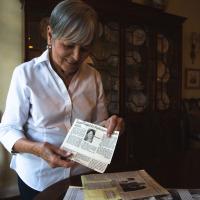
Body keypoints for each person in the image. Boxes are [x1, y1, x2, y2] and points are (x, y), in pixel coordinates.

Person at [0, 0, 124, 199]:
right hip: (39, 178)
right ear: (50, 34)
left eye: (84, 48)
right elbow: (7, 129)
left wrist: (111, 127)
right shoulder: (25, 75)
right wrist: (38, 149)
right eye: (68, 45)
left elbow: (99, 128)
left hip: (82, 176)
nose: (76, 56)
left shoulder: (93, 77)